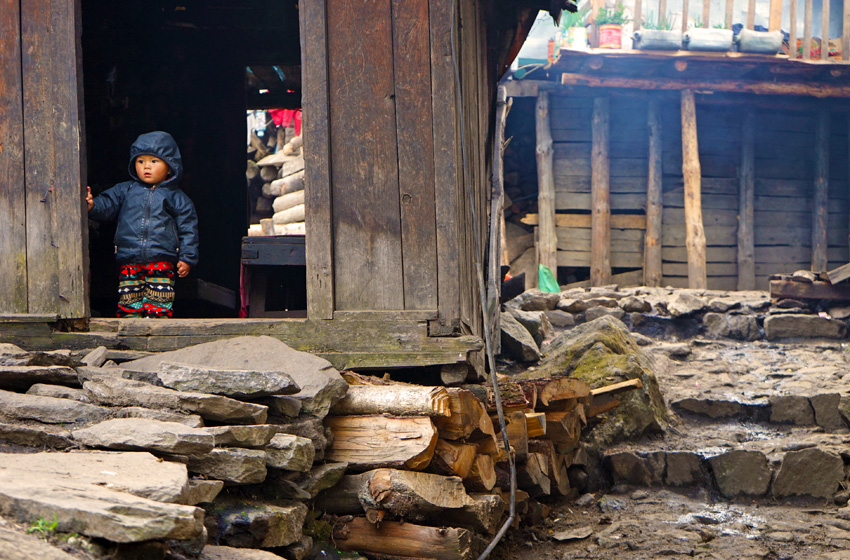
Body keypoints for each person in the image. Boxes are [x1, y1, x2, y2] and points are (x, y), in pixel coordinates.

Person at [86, 131, 199, 318]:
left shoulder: (177, 198)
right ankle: (131, 335)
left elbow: (188, 230)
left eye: (154, 161)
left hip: (162, 259)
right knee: (129, 300)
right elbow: (107, 205)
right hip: (129, 257)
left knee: (159, 301)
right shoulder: (125, 190)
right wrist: (93, 205)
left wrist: (187, 258)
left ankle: (156, 332)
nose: (146, 166)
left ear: (170, 167)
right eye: (140, 161)